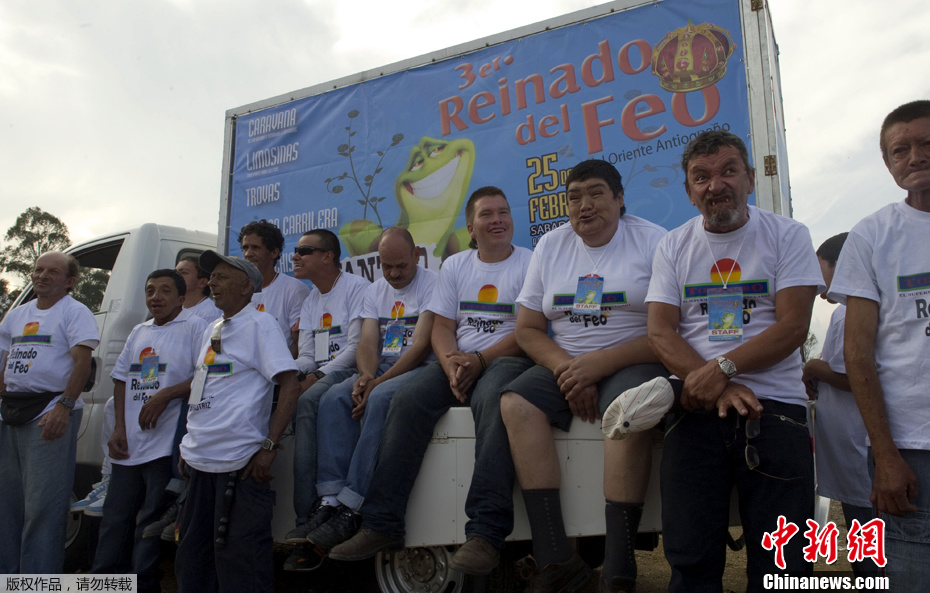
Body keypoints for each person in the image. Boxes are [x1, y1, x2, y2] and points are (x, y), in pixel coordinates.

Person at [605, 130, 822, 591]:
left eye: (727, 171)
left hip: (776, 410)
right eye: (701, 177)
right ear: (689, 192)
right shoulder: (674, 245)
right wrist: (719, 386)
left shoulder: (788, 235)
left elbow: (792, 327)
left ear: (748, 179)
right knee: (689, 559)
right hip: (697, 408)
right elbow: (660, 331)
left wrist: (725, 369)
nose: (715, 185)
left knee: (784, 568)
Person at [330, 187, 534, 569]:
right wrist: (451, 363)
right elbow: (441, 326)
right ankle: (382, 523)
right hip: (457, 359)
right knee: (405, 399)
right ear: (471, 227)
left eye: (503, 212)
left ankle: (486, 532)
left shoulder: (530, 262)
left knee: (493, 402)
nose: (497, 220)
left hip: (507, 359)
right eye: (486, 214)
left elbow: (527, 330)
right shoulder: (456, 266)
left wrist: (479, 360)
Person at [500, 160, 667, 593]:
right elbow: (528, 329)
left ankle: (619, 566)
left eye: (595, 193)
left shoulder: (654, 241)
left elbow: (666, 333)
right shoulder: (550, 246)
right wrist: (569, 370)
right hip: (566, 361)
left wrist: (598, 366)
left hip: (634, 359)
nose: (584, 206)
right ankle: (556, 557)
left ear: (619, 198)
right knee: (516, 403)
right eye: (574, 197)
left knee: (627, 412)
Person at [285, 227, 438, 571]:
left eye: (401, 266)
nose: (394, 274)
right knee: (335, 397)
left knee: (381, 398)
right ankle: (330, 499)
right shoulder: (376, 290)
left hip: (420, 367)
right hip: (381, 367)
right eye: (387, 267)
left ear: (416, 256)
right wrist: (366, 376)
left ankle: (353, 507)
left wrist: (378, 382)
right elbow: (368, 341)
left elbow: (422, 345)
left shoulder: (433, 283)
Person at [828, 100, 930, 590]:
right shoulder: (872, 236)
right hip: (911, 450)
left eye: (927, 144)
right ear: (888, 165)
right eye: (900, 150)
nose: (915, 157)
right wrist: (885, 455)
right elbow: (857, 354)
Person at [174, 251, 299, 593]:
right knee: (192, 559)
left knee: (240, 565)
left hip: (238, 466)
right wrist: (189, 443)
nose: (212, 282)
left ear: (247, 287)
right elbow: (202, 388)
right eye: (211, 276)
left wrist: (269, 446)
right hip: (200, 463)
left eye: (222, 276)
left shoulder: (261, 325)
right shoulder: (211, 329)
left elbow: (289, 384)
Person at [91, 270, 206, 592]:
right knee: (115, 520)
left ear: (182, 298)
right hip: (129, 447)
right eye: (150, 290)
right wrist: (119, 431)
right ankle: (105, 581)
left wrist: (165, 395)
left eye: (165, 291)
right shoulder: (138, 331)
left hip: (164, 445)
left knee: (150, 522)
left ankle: (143, 584)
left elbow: (205, 376)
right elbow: (121, 380)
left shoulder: (196, 327)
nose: (156, 297)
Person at [0, 252, 100, 574]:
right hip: (10, 414)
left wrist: (64, 407)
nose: (42, 276)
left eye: (52, 272)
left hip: (49, 415)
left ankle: (38, 580)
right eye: (38, 270)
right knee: (8, 506)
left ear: (69, 281)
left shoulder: (75, 312)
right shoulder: (16, 316)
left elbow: (83, 363)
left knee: (44, 508)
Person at [288, 228, 370, 563]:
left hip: (351, 370)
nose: (296, 256)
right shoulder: (310, 300)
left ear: (328, 257)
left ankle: (314, 508)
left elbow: (356, 348)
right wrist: (291, 374)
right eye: (295, 250)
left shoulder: (356, 289)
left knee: (309, 400)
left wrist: (317, 377)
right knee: (291, 395)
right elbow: (307, 354)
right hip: (321, 374)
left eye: (304, 250)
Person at [801, 233, 879, 579]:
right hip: (851, 446)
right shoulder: (846, 313)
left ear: (841, 265)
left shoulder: (850, 314)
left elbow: (853, 377)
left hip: (857, 444)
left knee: (868, 528)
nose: (819, 280)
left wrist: (814, 368)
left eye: (822, 268)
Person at [239, 219, 310, 355]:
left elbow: (300, 344)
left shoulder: (294, 289)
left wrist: (279, 370)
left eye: (255, 247)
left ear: (274, 252)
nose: (248, 254)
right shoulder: (239, 292)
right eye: (245, 248)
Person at [175, 254, 223, 322]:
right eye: (175, 273)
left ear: (202, 282)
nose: (176, 276)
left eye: (183, 272)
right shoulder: (175, 309)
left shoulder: (209, 314)